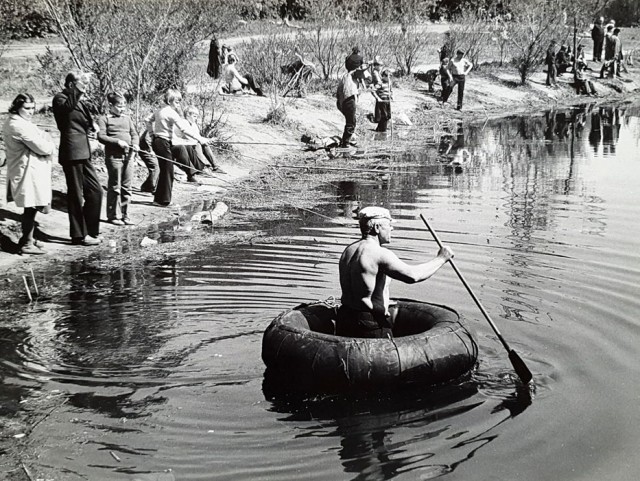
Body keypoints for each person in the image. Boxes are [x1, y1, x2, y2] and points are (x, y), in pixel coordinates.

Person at [336, 207, 454, 338]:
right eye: (389, 225)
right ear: (376, 227)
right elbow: (413, 276)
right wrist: (441, 258)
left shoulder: (348, 251)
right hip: (368, 323)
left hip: (345, 318)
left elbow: (361, 290)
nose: (392, 229)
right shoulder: (380, 253)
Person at [52, 71, 103, 246]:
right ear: (72, 84)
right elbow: (67, 110)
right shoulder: (60, 98)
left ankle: (91, 230)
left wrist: (92, 124)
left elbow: (82, 118)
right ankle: (78, 235)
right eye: (82, 83)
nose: (85, 86)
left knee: (96, 191)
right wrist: (79, 88)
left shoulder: (77, 99)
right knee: (76, 194)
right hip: (71, 151)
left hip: (83, 150)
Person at [2, 93, 55, 255]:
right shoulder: (18, 125)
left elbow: (41, 136)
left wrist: (44, 138)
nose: (30, 112)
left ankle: (28, 239)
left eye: (33, 108)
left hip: (31, 169)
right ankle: (26, 243)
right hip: (26, 171)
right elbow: (43, 147)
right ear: (17, 107)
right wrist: (49, 143)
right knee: (30, 206)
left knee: (34, 205)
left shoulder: (22, 122)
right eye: (26, 108)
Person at [146, 89, 212, 207]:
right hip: (162, 142)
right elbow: (184, 130)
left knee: (167, 168)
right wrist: (200, 139)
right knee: (167, 170)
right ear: (170, 101)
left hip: (162, 142)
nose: (178, 104)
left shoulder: (159, 110)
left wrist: (152, 135)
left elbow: (147, 120)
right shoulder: (171, 113)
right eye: (177, 102)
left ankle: (159, 199)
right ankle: (163, 201)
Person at [97, 92, 139, 226]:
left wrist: (136, 144)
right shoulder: (104, 119)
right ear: (110, 105)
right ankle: (113, 215)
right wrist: (117, 142)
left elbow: (134, 134)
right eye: (119, 106)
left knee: (127, 187)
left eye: (124, 106)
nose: (122, 109)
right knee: (115, 187)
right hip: (114, 157)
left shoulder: (127, 119)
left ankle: (125, 215)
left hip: (128, 156)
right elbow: (101, 136)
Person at [172, 106, 221, 173]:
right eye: (194, 116)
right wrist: (203, 140)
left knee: (204, 144)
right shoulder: (183, 122)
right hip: (181, 144)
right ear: (188, 115)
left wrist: (208, 140)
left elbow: (198, 136)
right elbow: (190, 138)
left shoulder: (193, 124)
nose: (196, 118)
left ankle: (215, 166)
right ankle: (202, 167)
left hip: (188, 143)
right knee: (198, 144)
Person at [336, 63, 366, 148]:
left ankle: (347, 140)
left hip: (348, 101)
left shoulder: (352, 78)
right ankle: (345, 143)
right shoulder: (348, 77)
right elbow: (347, 93)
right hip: (348, 101)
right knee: (351, 122)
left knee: (352, 122)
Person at [370, 60, 392, 133]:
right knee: (384, 115)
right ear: (384, 76)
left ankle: (380, 128)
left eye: (390, 77)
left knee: (389, 115)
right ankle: (382, 130)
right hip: (382, 100)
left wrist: (392, 96)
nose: (389, 78)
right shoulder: (380, 83)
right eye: (388, 77)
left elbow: (390, 91)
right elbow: (372, 90)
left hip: (388, 100)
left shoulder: (389, 83)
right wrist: (378, 98)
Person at [137, 128, 159, 194]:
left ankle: (146, 187)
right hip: (145, 151)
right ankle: (152, 188)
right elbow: (146, 139)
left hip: (147, 150)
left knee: (156, 168)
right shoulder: (153, 127)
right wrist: (150, 150)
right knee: (155, 167)